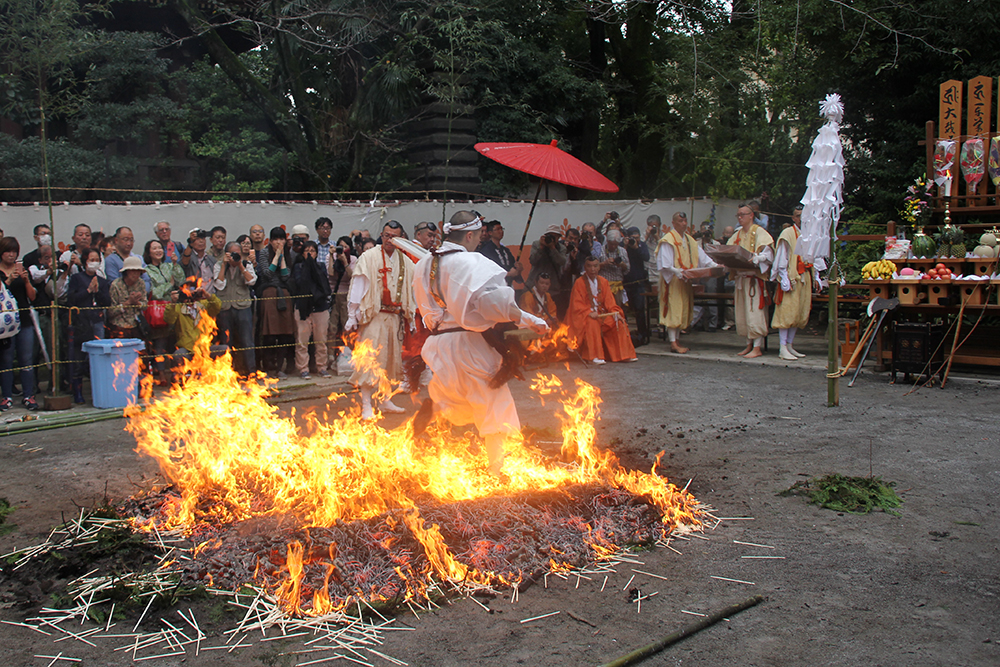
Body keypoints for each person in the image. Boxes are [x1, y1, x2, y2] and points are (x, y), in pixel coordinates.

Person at [412, 210, 549, 476]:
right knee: (493, 402)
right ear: (471, 234)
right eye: (479, 236)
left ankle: (422, 461)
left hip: (439, 343)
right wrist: (528, 318)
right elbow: (492, 304)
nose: (479, 241)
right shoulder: (472, 262)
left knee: (446, 398)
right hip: (469, 343)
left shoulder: (423, 264)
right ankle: (496, 472)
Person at [345, 220, 415, 418]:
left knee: (391, 360)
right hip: (373, 316)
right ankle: (366, 404)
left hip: (395, 317)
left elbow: (412, 290)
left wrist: (410, 318)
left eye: (394, 236)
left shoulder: (405, 260)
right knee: (370, 360)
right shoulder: (369, 257)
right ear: (381, 236)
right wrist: (352, 315)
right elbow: (358, 285)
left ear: (401, 238)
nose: (389, 240)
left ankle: (385, 400)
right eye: (386, 235)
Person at [656, 212, 719, 353]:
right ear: (673, 223)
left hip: (685, 281)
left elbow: (702, 257)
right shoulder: (668, 240)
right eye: (680, 221)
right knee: (674, 309)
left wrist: (714, 266)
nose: (684, 223)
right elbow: (665, 264)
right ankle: (673, 342)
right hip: (673, 281)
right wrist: (677, 272)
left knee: (683, 309)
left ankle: (677, 340)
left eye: (685, 221)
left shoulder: (690, 240)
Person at [566, 256, 637, 364]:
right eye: (589, 266)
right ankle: (594, 355)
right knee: (592, 323)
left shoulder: (603, 282)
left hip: (601, 315)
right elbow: (576, 305)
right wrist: (589, 312)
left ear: (599, 267)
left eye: (595, 266)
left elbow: (610, 302)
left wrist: (614, 312)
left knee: (618, 321)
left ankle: (624, 355)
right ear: (585, 268)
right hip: (585, 317)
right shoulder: (579, 283)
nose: (592, 269)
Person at [727, 202, 774, 358]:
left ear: (751, 215)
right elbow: (728, 250)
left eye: (743, 215)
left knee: (755, 312)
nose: (740, 218)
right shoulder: (737, 234)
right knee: (743, 313)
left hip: (754, 279)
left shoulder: (760, 232)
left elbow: (768, 254)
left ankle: (757, 347)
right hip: (741, 279)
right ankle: (748, 344)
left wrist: (756, 258)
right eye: (738, 215)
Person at [66, 249, 110, 403]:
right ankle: (77, 392)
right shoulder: (77, 278)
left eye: (97, 259)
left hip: (97, 321)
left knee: (98, 356)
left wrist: (97, 292)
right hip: (80, 322)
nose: (94, 262)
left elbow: (107, 302)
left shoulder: (103, 281)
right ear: (84, 261)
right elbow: (71, 299)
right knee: (79, 358)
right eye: (91, 259)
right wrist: (88, 291)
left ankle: (98, 389)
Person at [0, 237, 39, 410]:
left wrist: (25, 280)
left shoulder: (22, 269)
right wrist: (8, 281)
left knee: (26, 358)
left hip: (24, 319)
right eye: (8, 251)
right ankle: (6, 396)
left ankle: (28, 395)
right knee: (6, 359)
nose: (11, 255)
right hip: (5, 322)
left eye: (14, 252)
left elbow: (32, 297)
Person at [771, 207, 812, 360]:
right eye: (799, 216)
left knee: (799, 312)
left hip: (805, 277)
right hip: (791, 277)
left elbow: (814, 256)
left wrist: (819, 278)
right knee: (786, 312)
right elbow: (782, 257)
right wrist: (784, 279)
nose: (802, 219)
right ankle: (782, 347)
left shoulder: (809, 235)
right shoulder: (788, 234)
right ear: (793, 218)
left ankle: (789, 345)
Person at [256, 227, 297, 378]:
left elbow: (286, 276)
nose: (279, 242)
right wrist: (277, 256)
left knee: (285, 332)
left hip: (284, 293)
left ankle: (280, 366)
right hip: (269, 291)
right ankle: (269, 366)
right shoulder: (265, 253)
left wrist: (283, 257)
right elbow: (267, 274)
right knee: (269, 333)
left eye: (281, 239)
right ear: (270, 240)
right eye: (276, 239)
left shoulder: (288, 253)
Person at [163, 279, 224, 376]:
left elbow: (217, 306)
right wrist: (173, 302)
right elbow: (169, 319)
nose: (189, 293)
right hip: (187, 348)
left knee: (224, 349)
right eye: (186, 290)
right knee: (179, 354)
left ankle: (218, 377)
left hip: (205, 347)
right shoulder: (178, 308)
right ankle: (184, 379)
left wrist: (207, 294)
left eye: (192, 290)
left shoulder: (203, 305)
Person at [214, 241, 258, 376]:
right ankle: (227, 373)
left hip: (243, 306)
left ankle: (251, 371)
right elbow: (219, 285)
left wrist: (240, 265)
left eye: (238, 254)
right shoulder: (219, 265)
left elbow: (252, 281)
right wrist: (224, 264)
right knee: (226, 341)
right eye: (232, 254)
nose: (235, 256)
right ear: (226, 254)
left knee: (247, 340)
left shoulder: (246, 264)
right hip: (225, 308)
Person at [291, 241, 332, 379]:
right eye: (307, 250)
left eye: (312, 251)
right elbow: (298, 283)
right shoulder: (298, 267)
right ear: (302, 253)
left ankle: (322, 367)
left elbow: (324, 284)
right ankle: (303, 368)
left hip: (320, 307)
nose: (310, 253)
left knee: (321, 340)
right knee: (302, 341)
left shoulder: (320, 266)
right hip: (303, 307)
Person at [528, 224, 569, 318]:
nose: (552, 238)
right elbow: (532, 260)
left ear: (559, 237)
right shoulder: (537, 244)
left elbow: (561, 262)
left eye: (555, 236)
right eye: (550, 235)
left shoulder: (561, 248)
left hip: (553, 286)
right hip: (535, 284)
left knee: (551, 314)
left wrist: (552, 248)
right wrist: (541, 248)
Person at [327, 235, 355, 369]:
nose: (342, 250)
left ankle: (347, 356)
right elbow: (331, 274)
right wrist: (332, 257)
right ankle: (330, 356)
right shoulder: (332, 258)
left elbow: (352, 276)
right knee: (332, 328)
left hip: (347, 296)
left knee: (346, 327)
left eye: (345, 247)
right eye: (340, 247)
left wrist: (345, 262)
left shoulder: (353, 259)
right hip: (333, 296)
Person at [107, 256, 148, 339]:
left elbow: (145, 305)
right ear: (126, 272)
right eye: (133, 271)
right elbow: (111, 312)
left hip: (136, 325)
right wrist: (128, 302)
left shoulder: (141, 283)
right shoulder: (116, 285)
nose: (136, 274)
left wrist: (137, 303)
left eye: (138, 271)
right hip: (119, 326)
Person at [622, 226, 651, 345]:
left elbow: (646, 257)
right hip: (625, 282)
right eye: (632, 238)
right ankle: (623, 334)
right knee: (623, 310)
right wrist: (625, 246)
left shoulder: (642, 245)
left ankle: (642, 334)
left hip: (638, 282)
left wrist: (636, 247)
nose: (635, 240)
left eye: (637, 238)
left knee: (640, 309)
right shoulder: (624, 245)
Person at [478, 220, 525, 291]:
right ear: (490, 233)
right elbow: (488, 272)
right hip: (494, 287)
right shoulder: (486, 251)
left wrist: (518, 270)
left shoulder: (505, 250)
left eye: (501, 229)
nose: (501, 231)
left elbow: (513, 267)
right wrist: (508, 274)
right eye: (497, 229)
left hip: (508, 285)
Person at [105, 227, 152, 292]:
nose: (129, 243)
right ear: (116, 240)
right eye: (125, 239)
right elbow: (113, 283)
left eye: (131, 240)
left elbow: (146, 280)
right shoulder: (111, 260)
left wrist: (141, 293)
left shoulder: (138, 258)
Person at [598, 229, 630, 310]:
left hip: (617, 286)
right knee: (604, 309)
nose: (613, 247)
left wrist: (621, 264)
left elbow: (628, 269)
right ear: (607, 241)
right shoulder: (600, 250)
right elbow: (592, 267)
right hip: (603, 285)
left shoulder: (623, 251)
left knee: (617, 309)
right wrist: (604, 263)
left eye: (616, 244)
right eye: (611, 244)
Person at [180, 229, 216, 293]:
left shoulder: (211, 259)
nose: (201, 241)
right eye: (197, 239)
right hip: (194, 296)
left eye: (203, 239)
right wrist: (190, 243)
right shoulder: (188, 257)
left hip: (210, 297)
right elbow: (185, 262)